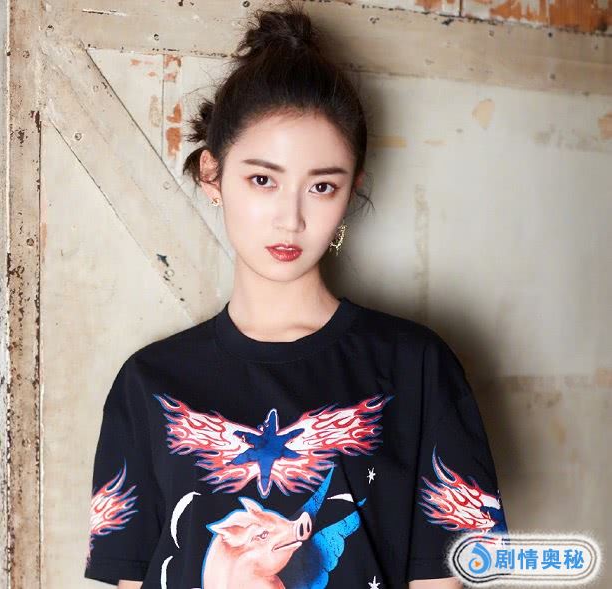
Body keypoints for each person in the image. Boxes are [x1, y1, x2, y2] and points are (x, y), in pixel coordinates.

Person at [83, 3, 509, 588]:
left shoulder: (416, 368)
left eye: (322, 186)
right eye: (263, 179)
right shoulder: (148, 384)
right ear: (212, 176)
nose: (291, 217)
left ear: (351, 191)